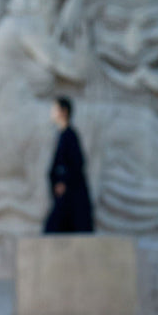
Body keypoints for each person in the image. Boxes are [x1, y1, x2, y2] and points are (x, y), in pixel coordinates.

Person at [43, 95, 94, 233]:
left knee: (54, 228)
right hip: (66, 197)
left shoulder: (70, 135)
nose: (52, 113)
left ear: (64, 112)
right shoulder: (62, 134)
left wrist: (64, 182)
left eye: (55, 109)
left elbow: (77, 163)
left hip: (71, 197)